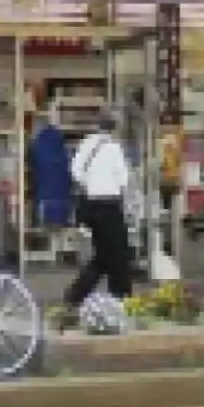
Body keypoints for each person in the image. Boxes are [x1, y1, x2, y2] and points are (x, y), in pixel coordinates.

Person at [63, 113, 134, 309]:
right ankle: (121, 295)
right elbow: (123, 179)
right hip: (109, 205)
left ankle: (76, 294)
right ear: (114, 128)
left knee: (103, 253)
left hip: (89, 205)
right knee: (119, 252)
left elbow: (75, 171)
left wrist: (90, 183)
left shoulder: (87, 144)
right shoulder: (113, 148)